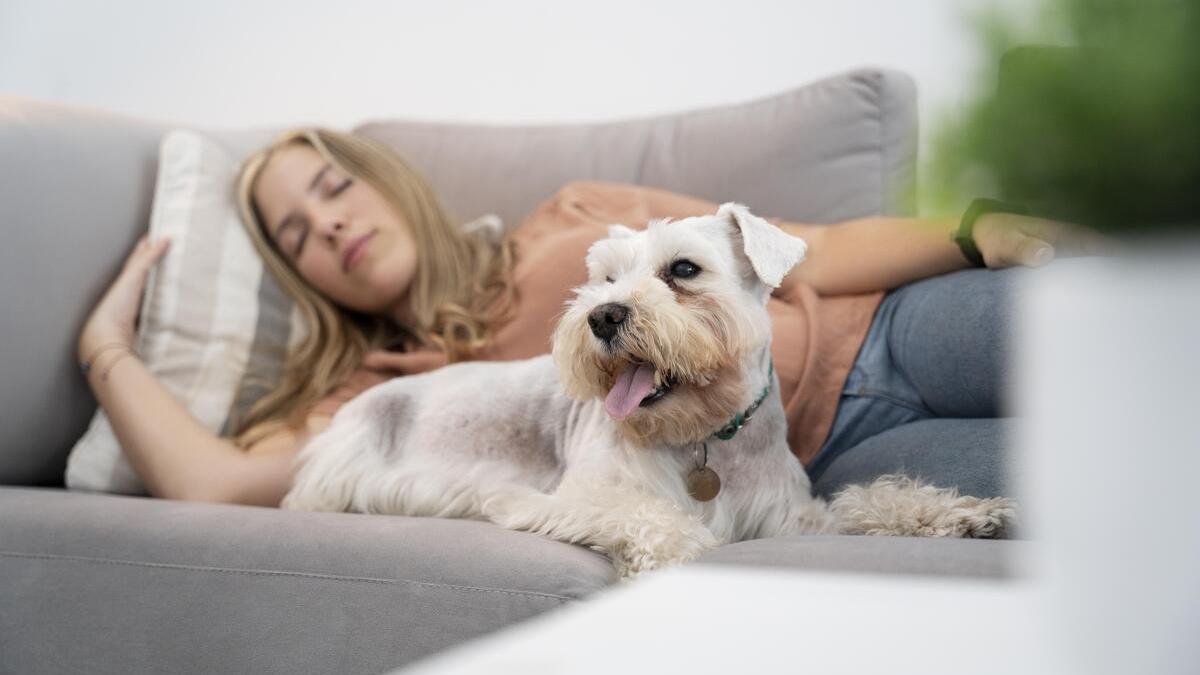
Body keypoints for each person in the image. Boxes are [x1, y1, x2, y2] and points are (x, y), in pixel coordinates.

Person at [76, 128, 1111, 507]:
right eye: (293, 234)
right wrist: (106, 352)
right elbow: (208, 486)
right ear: (296, 277)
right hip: (826, 455)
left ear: (382, 179)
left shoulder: (569, 217)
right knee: (1119, 481)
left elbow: (822, 248)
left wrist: (982, 228)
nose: (327, 225)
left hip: (885, 325)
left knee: (1137, 349)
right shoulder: (392, 397)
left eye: (332, 187)